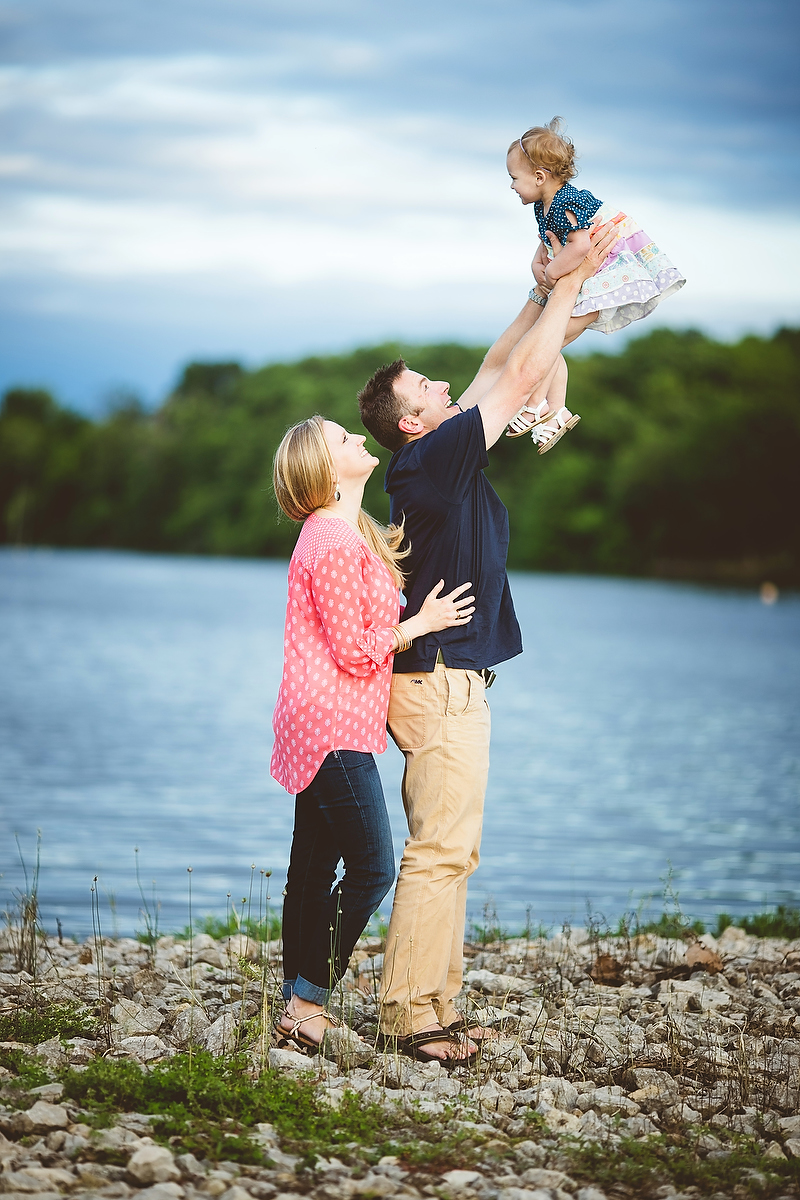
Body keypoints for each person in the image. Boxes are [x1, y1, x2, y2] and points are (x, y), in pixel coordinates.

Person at [356, 220, 620, 1062]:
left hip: (447, 679)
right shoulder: (431, 462)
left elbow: (509, 359)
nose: (444, 384)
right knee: (440, 851)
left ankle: (433, 1004)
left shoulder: (440, 453)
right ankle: (410, 1019)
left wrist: (545, 288)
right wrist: (571, 286)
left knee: (452, 850)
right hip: (437, 681)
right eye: (427, 386)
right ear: (411, 422)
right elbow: (526, 372)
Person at [270, 415, 475, 1052]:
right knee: (373, 868)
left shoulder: (346, 531)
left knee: (312, 868)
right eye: (341, 438)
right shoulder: (330, 542)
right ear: (326, 471)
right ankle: (308, 1000)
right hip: (330, 726)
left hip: (328, 721)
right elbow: (357, 650)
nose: (355, 438)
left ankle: (292, 1000)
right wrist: (422, 624)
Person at [505, 117, 685, 451]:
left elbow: (580, 244)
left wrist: (552, 273)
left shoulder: (564, 202)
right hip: (589, 281)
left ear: (539, 177)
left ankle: (537, 406)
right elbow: (552, 236)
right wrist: (537, 261)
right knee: (548, 342)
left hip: (603, 280)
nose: (512, 186)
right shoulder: (548, 204)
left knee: (546, 343)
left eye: (514, 178)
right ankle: (554, 410)